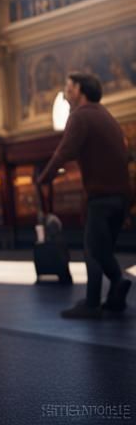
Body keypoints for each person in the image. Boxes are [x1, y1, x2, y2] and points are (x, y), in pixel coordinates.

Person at [37, 71, 131, 318]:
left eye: (69, 86)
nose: (66, 91)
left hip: (100, 198)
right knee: (104, 249)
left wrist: (43, 178)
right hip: (121, 198)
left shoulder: (81, 116)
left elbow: (63, 152)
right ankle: (113, 301)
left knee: (93, 250)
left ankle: (98, 298)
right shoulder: (108, 117)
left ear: (80, 90)